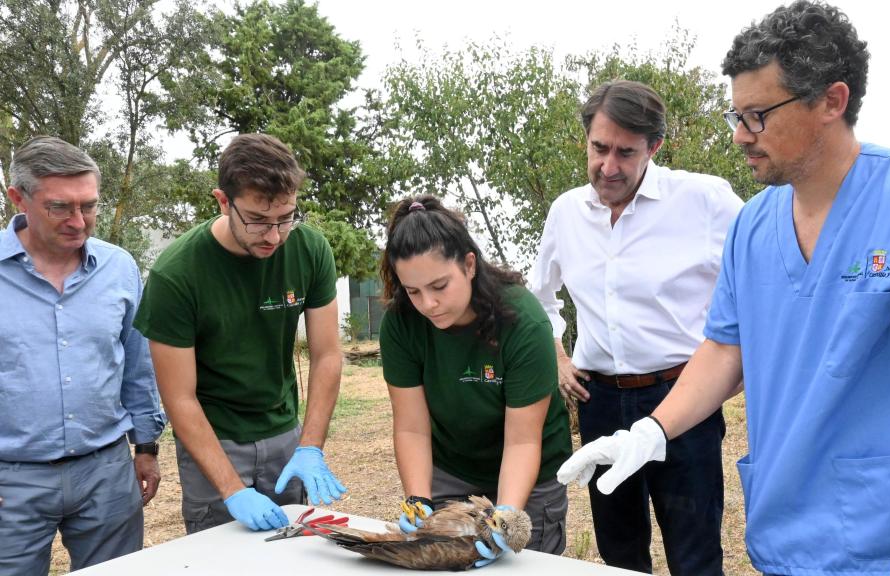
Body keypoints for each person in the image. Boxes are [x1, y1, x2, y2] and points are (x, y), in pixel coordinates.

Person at [557, 2, 890, 575]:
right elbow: (726, 349)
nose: (739, 136)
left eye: (757, 116)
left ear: (832, 100)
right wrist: (652, 431)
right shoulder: (753, 225)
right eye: (735, 115)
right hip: (787, 539)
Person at [529, 80, 743, 575]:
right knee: (618, 554)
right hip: (600, 402)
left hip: (680, 398)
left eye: (625, 153)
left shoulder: (705, 201)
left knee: (695, 552)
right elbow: (539, 297)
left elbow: (762, 275)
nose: (608, 166)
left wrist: (736, 363)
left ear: (655, 147)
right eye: (599, 148)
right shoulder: (566, 213)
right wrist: (558, 355)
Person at [134, 133, 346, 533]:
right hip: (215, 440)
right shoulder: (176, 274)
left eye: (286, 218)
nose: (274, 236)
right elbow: (179, 397)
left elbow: (328, 355)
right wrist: (231, 489)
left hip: (284, 433)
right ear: (223, 201)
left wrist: (310, 447)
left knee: (290, 554)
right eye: (258, 220)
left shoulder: (309, 250)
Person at [0, 136, 165, 575]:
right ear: (19, 198)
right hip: (11, 480)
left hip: (107, 472)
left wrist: (146, 447)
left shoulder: (120, 268)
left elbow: (137, 366)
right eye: (60, 207)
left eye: (88, 205)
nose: (79, 221)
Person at [378, 195, 573, 565]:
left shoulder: (523, 322)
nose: (428, 304)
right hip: (453, 468)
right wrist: (419, 499)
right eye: (413, 291)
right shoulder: (402, 323)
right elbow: (412, 427)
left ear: (469, 265)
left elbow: (521, 441)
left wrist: (506, 517)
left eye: (439, 286)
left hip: (530, 472)